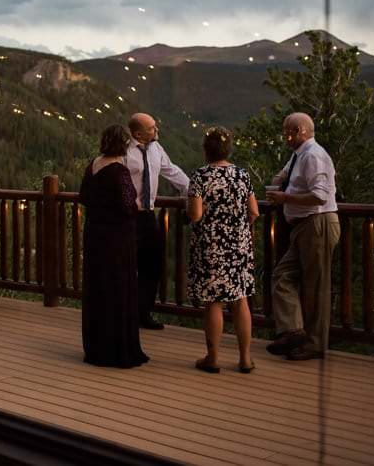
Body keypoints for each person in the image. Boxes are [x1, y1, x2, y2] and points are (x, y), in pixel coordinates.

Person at [264, 113, 340, 361]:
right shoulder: (298, 156)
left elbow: (319, 195)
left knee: (316, 286)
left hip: (317, 223)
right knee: (282, 276)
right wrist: (280, 185)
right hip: (303, 226)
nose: (285, 136)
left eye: (287, 131)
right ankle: (293, 331)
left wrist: (285, 198)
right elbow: (282, 177)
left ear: (300, 130)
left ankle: (315, 344)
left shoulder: (314, 156)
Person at [185, 127, 258, 374]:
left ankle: (213, 358)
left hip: (210, 246)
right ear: (229, 149)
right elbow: (254, 211)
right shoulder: (242, 175)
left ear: (206, 150)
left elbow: (195, 215)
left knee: (213, 302)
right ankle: (245, 359)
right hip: (238, 245)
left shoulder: (200, 176)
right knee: (240, 300)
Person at [80, 125, 148, 368]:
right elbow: (129, 205)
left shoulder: (94, 165)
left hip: (94, 235)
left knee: (98, 288)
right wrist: (139, 204)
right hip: (117, 239)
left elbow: (83, 197)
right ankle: (116, 349)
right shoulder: (119, 171)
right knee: (118, 289)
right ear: (123, 144)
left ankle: (96, 346)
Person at [125, 113, 187, 330]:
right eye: (152, 127)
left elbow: (172, 171)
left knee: (151, 265)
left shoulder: (156, 149)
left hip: (148, 216)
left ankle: (144, 313)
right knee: (125, 265)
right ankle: (125, 313)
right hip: (127, 216)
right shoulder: (124, 150)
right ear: (138, 134)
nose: (156, 130)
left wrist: (193, 191)